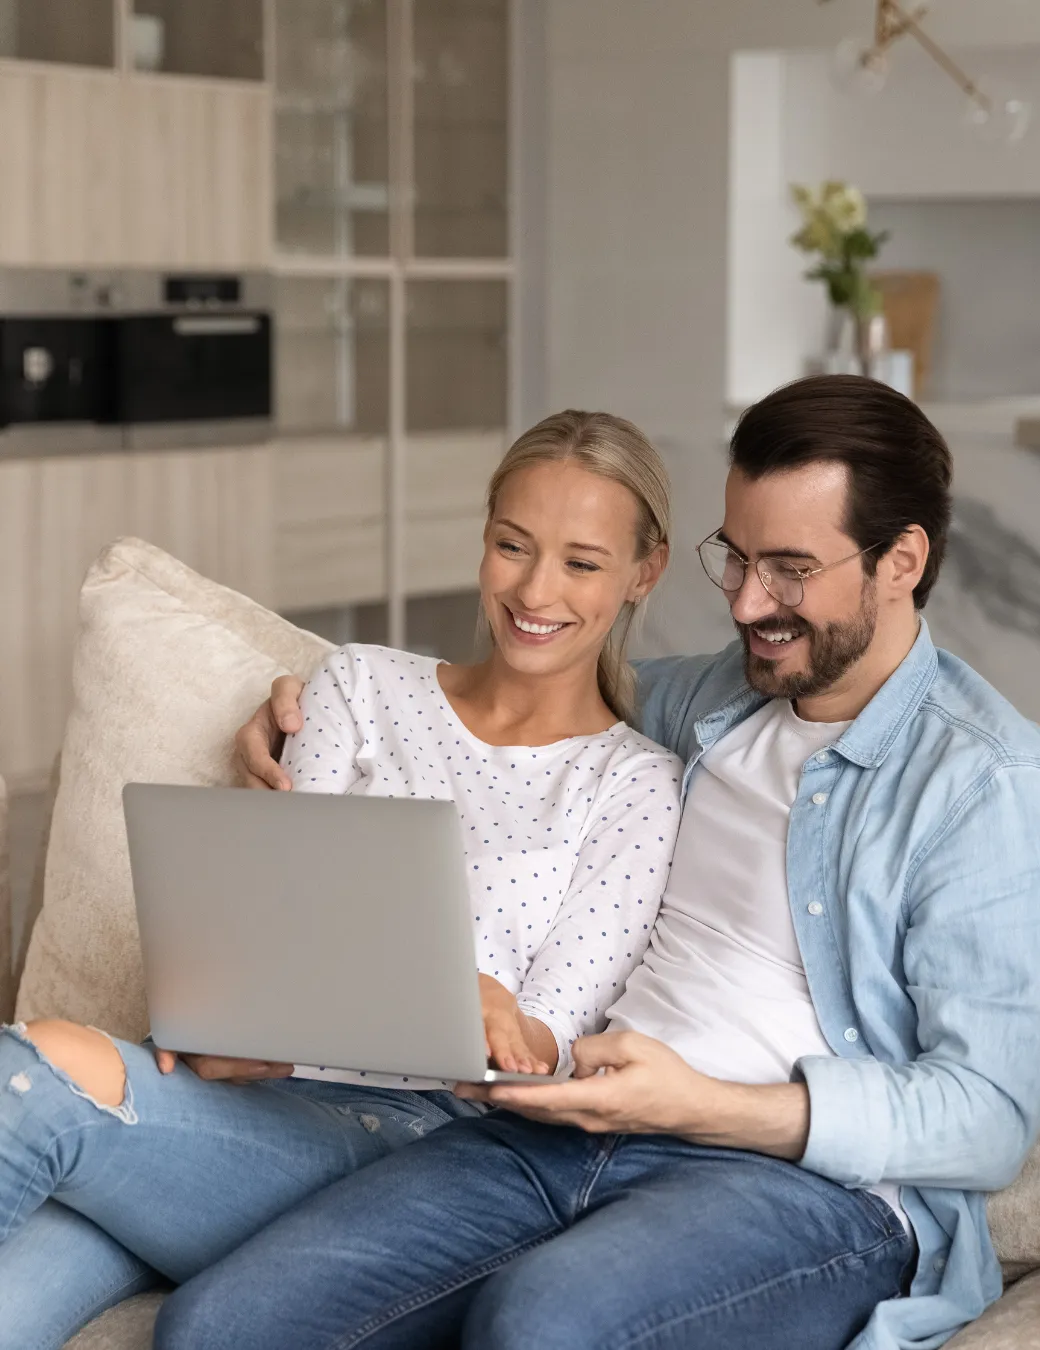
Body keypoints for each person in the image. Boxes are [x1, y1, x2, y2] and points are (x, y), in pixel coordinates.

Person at [160, 375, 1040, 1350]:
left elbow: (986, 1120)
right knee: (219, 1326)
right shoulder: (711, 699)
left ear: (902, 561)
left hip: (801, 1190)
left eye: (791, 570)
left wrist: (703, 1107)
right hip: (560, 1132)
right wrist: (294, 703)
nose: (748, 603)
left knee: (542, 1325)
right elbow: (522, 684)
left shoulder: (995, 785)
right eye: (736, 558)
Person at [0, 411, 685, 1350]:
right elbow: (274, 922)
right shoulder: (359, 686)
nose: (535, 590)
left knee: (35, 1072)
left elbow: (546, 1052)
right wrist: (224, 1023)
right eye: (512, 546)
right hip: (226, 1096)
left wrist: (475, 1005)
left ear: (644, 572)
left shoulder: (633, 786)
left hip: (409, 1145)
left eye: (582, 562)